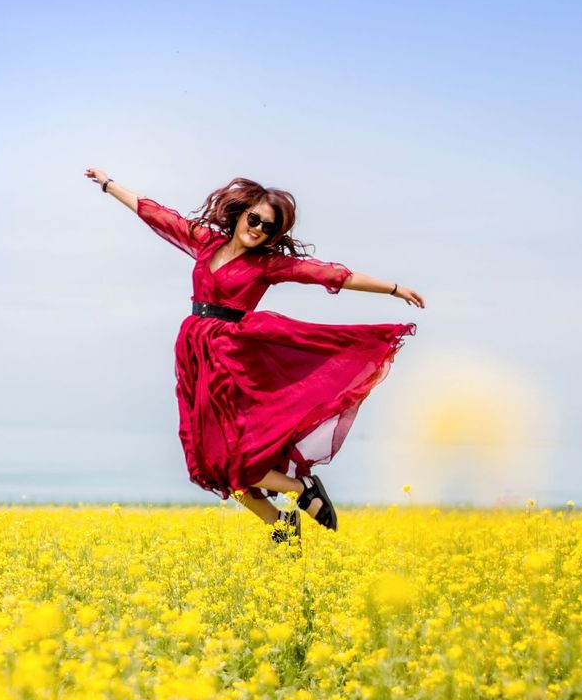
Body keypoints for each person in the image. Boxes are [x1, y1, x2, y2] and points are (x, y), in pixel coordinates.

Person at [84, 171, 425, 546]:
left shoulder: (266, 265)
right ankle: (281, 525)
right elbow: (156, 214)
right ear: (241, 213)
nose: (259, 228)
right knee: (207, 458)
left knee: (231, 455)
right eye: (255, 219)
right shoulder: (205, 242)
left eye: (269, 226)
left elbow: (330, 275)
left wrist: (393, 289)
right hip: (195, 356)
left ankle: (302, 487)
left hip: (232, 357)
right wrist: (108, 184)